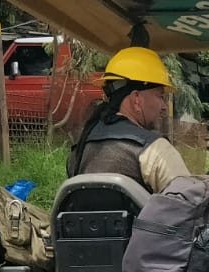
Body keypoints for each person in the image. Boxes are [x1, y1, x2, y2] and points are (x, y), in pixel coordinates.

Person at [68, 47, 190, 192]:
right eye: (160, 96)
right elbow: (189, 205)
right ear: (136, 99)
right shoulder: (154, 150)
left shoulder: (81, 148)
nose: (164, 106)